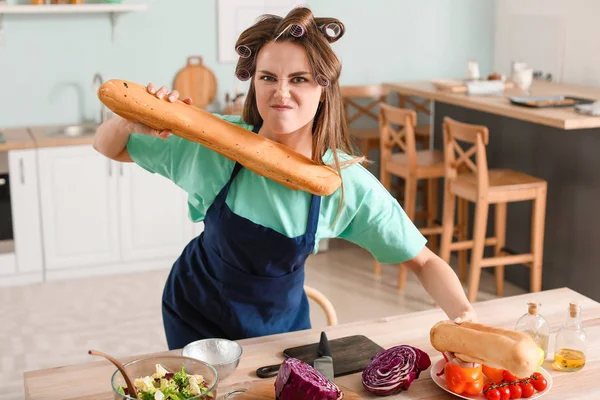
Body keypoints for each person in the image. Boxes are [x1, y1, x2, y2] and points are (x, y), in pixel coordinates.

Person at [93, 7, 477, 350]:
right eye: (268, 77)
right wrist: (129, 120)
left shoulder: (341, 183)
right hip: (194, 312)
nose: (281, 92)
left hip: (281, 331)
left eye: (299, 79)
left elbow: (425, 263)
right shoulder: (212, 142)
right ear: (254, 83)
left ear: (323, 88)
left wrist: (467, 320)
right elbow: (107, 147)